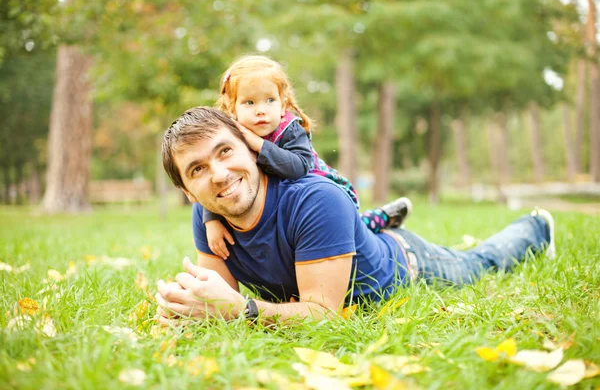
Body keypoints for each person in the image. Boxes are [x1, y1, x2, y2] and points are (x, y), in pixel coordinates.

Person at [155, 106, 555, 325]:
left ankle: (534, 226)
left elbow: (322, 314)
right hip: (342, 256)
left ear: (251, 147)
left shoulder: (316, 199)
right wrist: (186, 307)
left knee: (479, 263)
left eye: (225, 151)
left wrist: (243, 311)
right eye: (197, 169)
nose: (219, 175)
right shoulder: (211, 212)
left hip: (407, 266)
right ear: (189, 192)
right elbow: (218, 305)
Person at [203, 55, 412, 259]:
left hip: (319, 197)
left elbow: (299, 167)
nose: (261, 111)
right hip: (282, 206)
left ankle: (381, 218)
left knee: (345, 232)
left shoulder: (289, 130)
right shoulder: (231, 136)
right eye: (249, 102)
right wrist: (211, 219)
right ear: (232, 107)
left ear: (282, 103)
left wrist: (260, 145)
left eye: (270, 100)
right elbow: (220, 177)